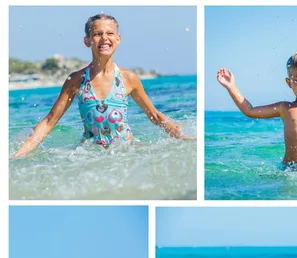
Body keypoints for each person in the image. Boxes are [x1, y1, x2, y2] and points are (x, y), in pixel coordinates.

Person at [14, 14, 194, 157]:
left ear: (118, 38)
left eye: (109, 33)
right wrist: (19, 154)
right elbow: (49, 121)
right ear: (87, 41)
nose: (104, 38)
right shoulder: (76, 80)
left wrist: (183, 137)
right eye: (97, 34)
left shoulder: (128, 78)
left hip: (126, 150)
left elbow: (155, 116)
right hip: (91, 153)